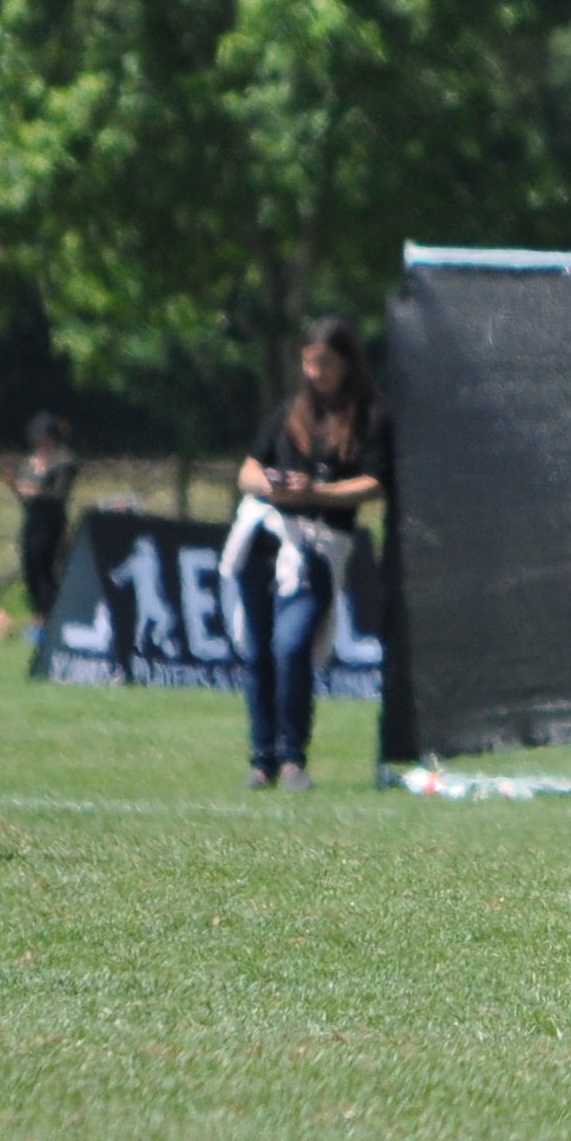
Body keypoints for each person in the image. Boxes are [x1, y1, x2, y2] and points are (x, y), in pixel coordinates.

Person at [227, 319, 391, 790]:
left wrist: (316, 492)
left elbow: (376, 484)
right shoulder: (289, 413)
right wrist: (272, 487)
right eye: (309, 362)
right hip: (265, 541)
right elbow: (248, 469)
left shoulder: (370, 416)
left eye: (326, 364)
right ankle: (263, 761)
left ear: (347, 364)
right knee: (258, 652)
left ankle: (294, 757)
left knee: (292, 646)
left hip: (317, 547)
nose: (316, 372)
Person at [8, 414, 80, 627]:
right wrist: (15, 487)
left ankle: (47, 616)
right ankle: (38, 612)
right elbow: (25, 500)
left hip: (52, 523)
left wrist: (33, 490)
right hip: (32, 522)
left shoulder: (64, 461)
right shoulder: (29, 463)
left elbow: (58, 495)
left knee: (45, 568)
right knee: (29, 566)